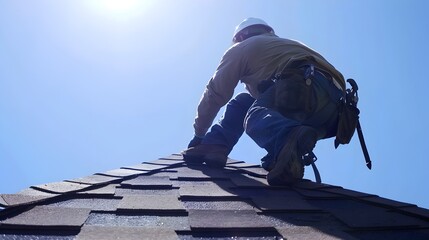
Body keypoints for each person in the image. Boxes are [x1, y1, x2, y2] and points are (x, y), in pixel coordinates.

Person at [182, 17, 346, 185]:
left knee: (254, 116)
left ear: (240, 37)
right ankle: (217, 145)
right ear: (269, 31)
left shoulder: (243, 48)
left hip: (303, 88)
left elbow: (216, 93)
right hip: (337, 115)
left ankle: (289, 136)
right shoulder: (287, 46)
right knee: (244, 102)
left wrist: (199, 133)